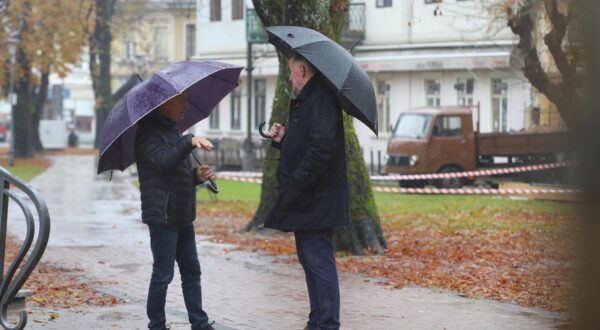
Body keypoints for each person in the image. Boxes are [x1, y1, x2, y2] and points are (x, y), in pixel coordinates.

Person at [266, 53, 349, 330]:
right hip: (308, 199)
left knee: (318, 260)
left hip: (316, 199)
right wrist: (284, 139)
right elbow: (307, 142)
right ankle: (317, 320)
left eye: (291, 72)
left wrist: (297, 182)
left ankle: (326, 323)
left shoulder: (320, 100)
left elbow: (321, 149)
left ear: (302, 69)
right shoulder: (310, 100)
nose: (289, 78)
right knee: (309, 259)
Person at [134, 92, 216, 330]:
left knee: (192, 271)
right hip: (163, 215)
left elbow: (176, 174)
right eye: (181, 101)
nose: (186, 105)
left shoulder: (172, 130)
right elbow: (162, 162)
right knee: (163, 274)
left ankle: (199, 323)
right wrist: (188, 141)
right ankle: (156, 325)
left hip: (182, 214)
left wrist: (196, 176)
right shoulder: (147, 134)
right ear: (165, 105)